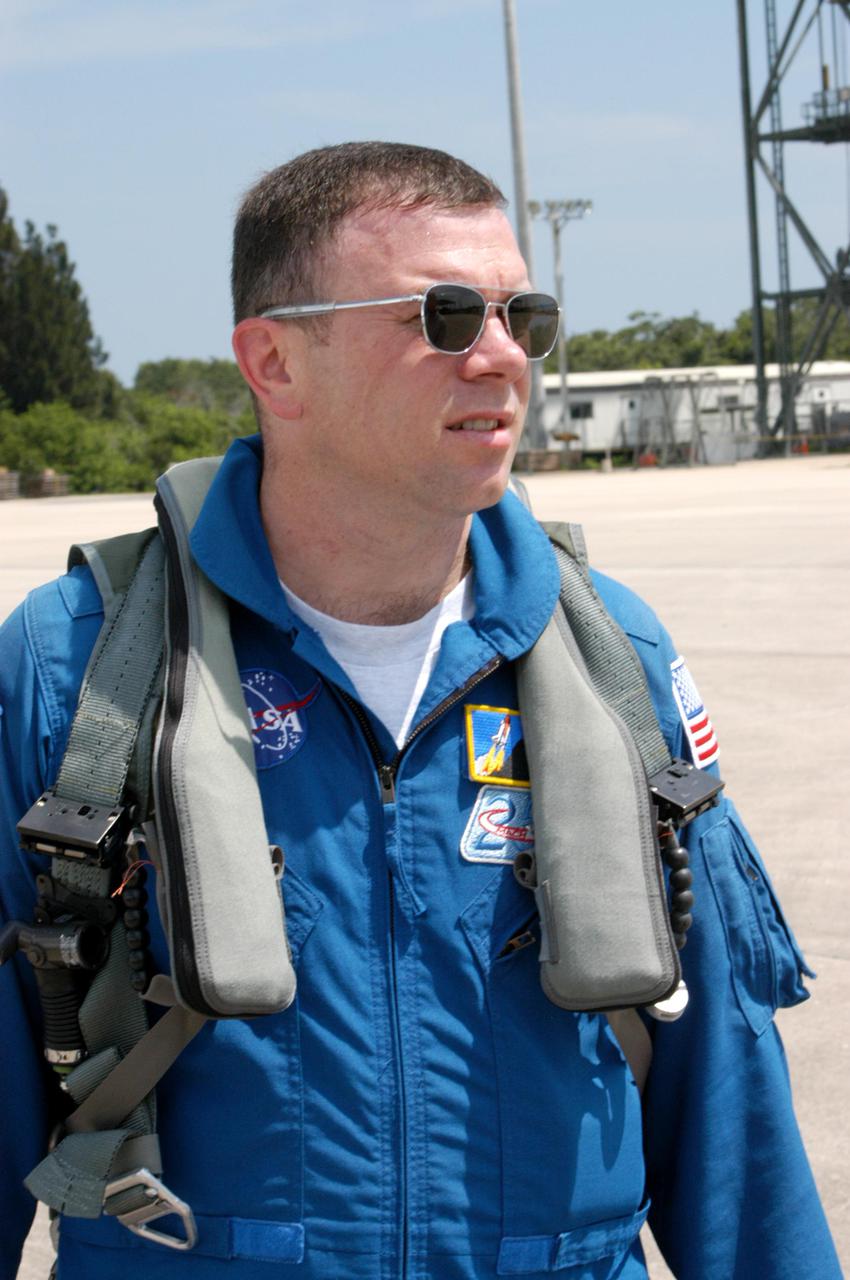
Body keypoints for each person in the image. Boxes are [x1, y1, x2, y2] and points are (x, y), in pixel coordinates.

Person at [0, 141, 840, 1280]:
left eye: (520, 316)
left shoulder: (614, 661)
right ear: (274, 362)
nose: (499, 356)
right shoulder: (80, 668)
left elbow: (728, 1109)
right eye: (440, 316)